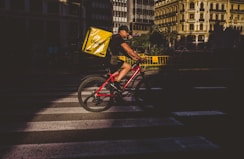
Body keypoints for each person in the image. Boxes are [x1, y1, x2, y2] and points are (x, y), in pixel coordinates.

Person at [106, 25, 144, 92]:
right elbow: (129, 50)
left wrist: (133, 58)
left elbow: (125, 52)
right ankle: (116, 83)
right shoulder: (118, 38)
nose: (128, 34)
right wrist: (139, 58)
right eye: (127, 32)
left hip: (109, 59)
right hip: (112, 59)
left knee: (117, 73)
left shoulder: (115, 38)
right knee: (128, 66)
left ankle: (115, 90)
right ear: (122, 31)